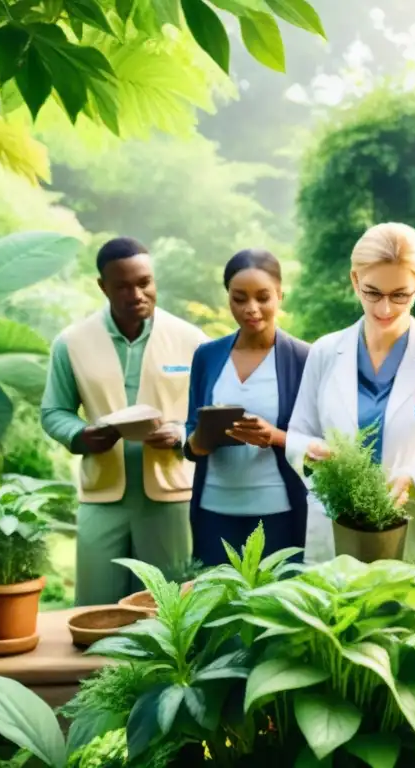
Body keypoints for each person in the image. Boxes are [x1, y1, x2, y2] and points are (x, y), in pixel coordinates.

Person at [286, 222, 415, 564]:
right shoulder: (325, 352)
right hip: (338, 534)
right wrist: (310, 450)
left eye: (400, 295)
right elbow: (298, 434)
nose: (385, 309)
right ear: (354, 280)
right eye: (373, 292)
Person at [42, 237, 208, 606]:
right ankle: (98, 667)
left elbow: (209, 412)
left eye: (144, 282)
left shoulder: (192, 341)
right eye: (123, 286)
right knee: (95, 606)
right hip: (103, 495)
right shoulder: (71, 343)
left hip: (170, 496)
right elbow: (53, 412)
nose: (137, 293)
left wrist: (181, 432)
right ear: (103, 287)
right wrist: (79, 435)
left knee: (170, 606)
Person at [183, 249, 310, 566]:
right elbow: (189, 433)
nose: (251, 309)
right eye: (239, 299)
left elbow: (322, 440)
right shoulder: (207, 356)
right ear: (228, 298)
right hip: (213, 511)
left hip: (278, 511)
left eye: (262, 297)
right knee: (216, 608)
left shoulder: (304, 358)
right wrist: (200, 440)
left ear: (280, 295)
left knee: (274, 609)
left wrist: (275, 436)